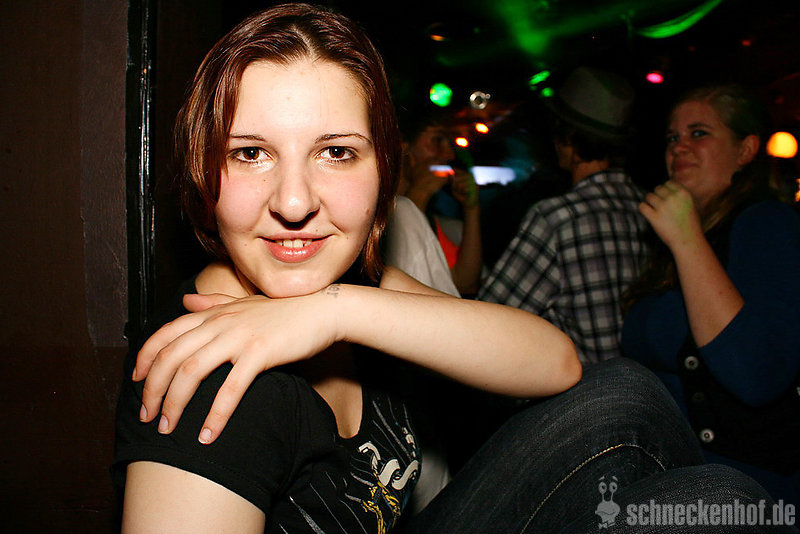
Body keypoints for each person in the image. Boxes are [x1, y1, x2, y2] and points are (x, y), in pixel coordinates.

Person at [113, 6, 788, 533]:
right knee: (721, 501)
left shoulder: (354, 287)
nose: (293, 202)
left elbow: (557, 363)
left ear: (385, 170)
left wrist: (337, 309)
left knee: (658, 424)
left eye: (337, 152)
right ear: (202, 169)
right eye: (250, 153)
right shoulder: (208, 389)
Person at [621, 83, 800, 507]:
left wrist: (686, 239)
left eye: (698, 133)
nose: (678, 147)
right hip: (671, 480)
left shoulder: (767, 223)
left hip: (745, 494)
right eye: (672, 137)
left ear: (746, 150)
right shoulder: (681, 237)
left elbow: (755, 373)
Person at [479, 66, 650, 364]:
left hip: (588, 389)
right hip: (650, 388)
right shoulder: (651, 208)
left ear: (567, 137)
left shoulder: (557, 217)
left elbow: (490, 321)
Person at [398, 111, 483, 296]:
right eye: (437, 140)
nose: (449, 154)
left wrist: (471, 209)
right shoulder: (375, 213)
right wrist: (417, 196)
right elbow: (401, 284)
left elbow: (463, 285)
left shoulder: (428, 217)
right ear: (402, 147)